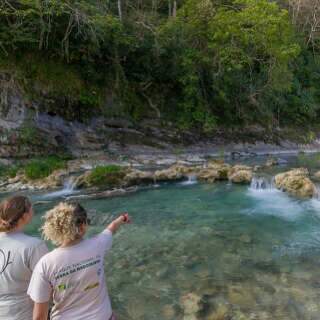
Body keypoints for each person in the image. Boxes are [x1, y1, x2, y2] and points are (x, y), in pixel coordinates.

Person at [28, 202, 130, 320]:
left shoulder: (45, 263)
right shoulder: (98, 245)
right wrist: (122, 218)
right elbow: (111, 229)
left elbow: (39, 316)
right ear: (82, 226)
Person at [0, 195, 49, 320]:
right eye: (31, 208)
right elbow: (47, 285)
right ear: (25, 216)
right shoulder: (34, 245)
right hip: (24, 313)